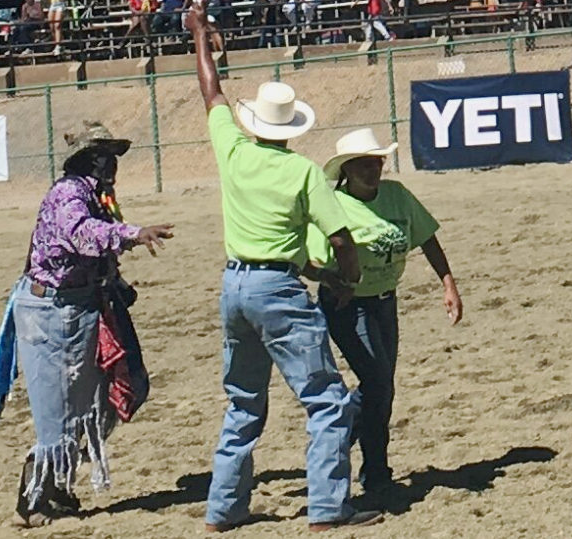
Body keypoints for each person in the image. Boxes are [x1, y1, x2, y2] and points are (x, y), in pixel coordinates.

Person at [185, 2, 383, 532]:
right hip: (279, 289)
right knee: (325, 401)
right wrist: (349, 278)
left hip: (235, 284)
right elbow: (340, 237)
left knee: (243, 405)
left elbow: (211, 91)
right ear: (292, 126)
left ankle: (224, 510)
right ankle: (327, 507)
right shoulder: (301, 171)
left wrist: (199, 36)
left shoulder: (233, 151)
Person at [11, 121, 174, 527]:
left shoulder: (98, 195)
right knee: (63, 408)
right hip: (55, 311)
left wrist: (114, 279)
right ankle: (39, 493)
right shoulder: (68, 193)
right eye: (108, 156)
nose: (114, 164)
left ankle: (59, 475)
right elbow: (81, 235)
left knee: (129, 384)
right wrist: (134, 234)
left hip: (88, 303)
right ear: (91, 159)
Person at [305, 127, 463, 500]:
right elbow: (311, 261)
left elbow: (426, 237)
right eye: (364, 164)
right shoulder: (333, 205)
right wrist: (334, 281)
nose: (373, 169)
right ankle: (339, 437)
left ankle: (375, 471)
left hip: (384, 301)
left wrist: (448, 283)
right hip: (348, 305)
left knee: (382, 389)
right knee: (377, 384)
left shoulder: (397, 196)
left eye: (377, 162)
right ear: (347, 169)